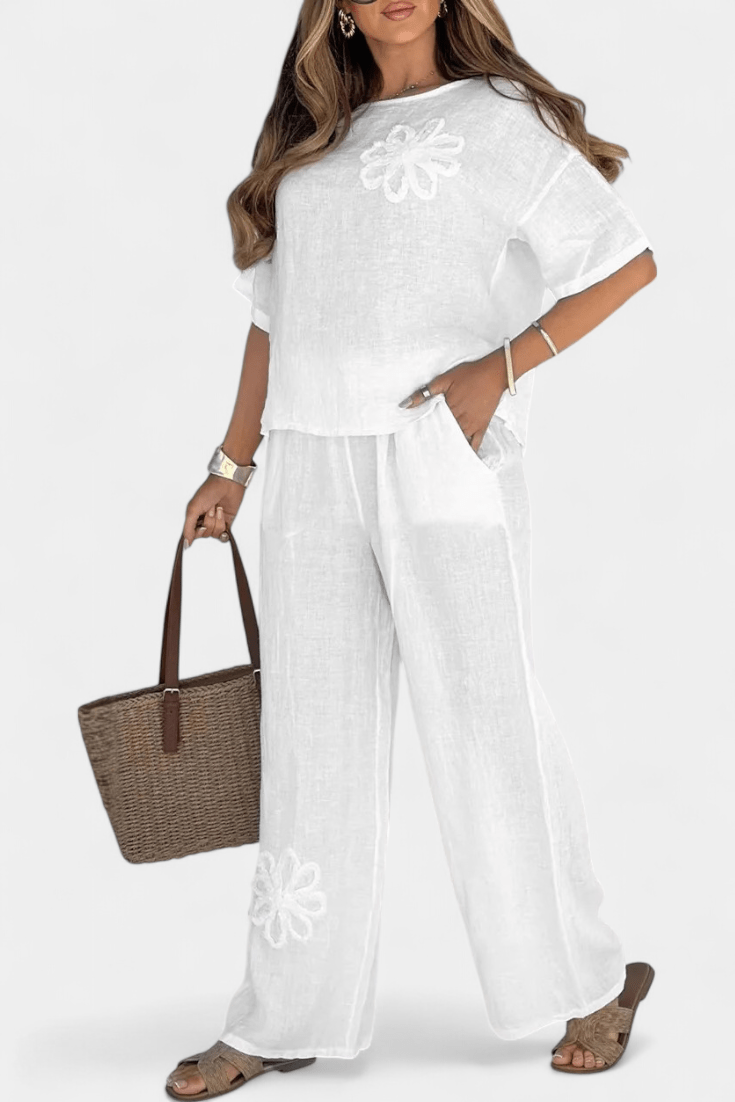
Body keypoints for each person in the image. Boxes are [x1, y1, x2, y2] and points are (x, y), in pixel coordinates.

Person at [165, 1, 657, 1096]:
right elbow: (273, 319)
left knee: (487, 725)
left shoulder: (496, 118)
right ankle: (285, 1014)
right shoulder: (310, 145)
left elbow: (624, 263)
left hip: (436, 457)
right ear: (335, 9)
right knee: (310, 743)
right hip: (310, 466)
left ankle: (588, 983)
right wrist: (233, 464)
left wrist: (501, 367)